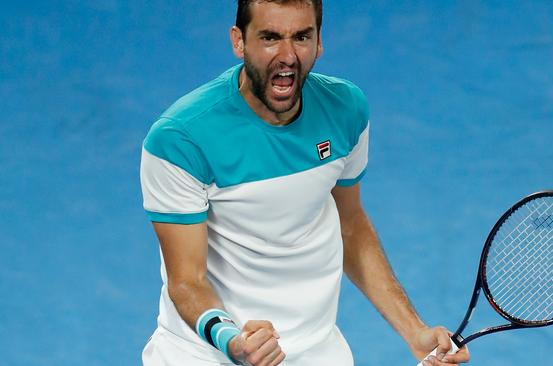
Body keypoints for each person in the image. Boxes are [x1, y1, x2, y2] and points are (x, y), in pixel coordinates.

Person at [139, 1, 470, 365]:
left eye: (301, 37)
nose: (287, 56)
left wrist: (415, 332)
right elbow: (187, 281)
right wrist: (232, 341)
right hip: (205, 354)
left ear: (319, 42)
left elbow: (351, 225)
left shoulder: (346, 109)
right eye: (269, 37)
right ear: (239, 41)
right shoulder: (180, 138)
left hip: (317, 351)